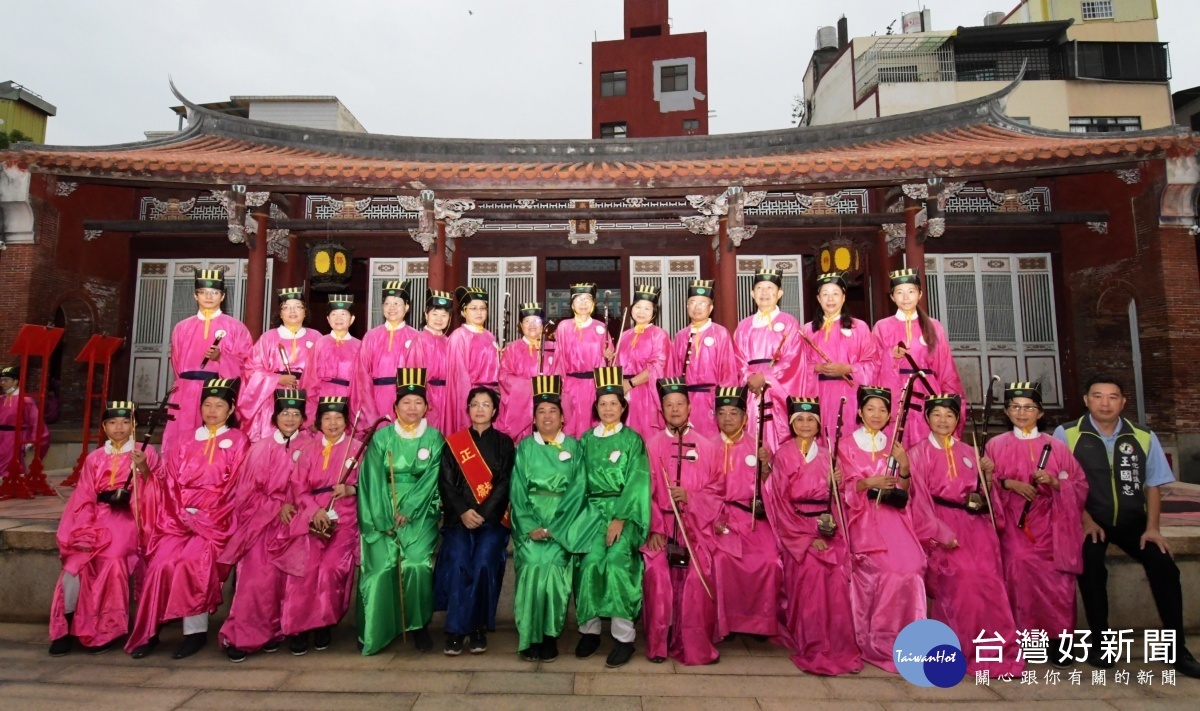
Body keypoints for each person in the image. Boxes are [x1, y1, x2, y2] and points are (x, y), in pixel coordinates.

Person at [1055, 375, 1200, 677]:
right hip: (1090, 518)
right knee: (1091, 564)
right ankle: (1101, 642)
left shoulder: (1143, 436)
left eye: (1112, 397)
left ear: (1123, 402)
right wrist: (1085, 520)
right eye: (1097, 396)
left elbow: (1154, 484)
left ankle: (1177, 649)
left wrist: (1153, 528)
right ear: (1086, 400)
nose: (1104, 403)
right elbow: (1062, 484)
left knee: (1164, 565)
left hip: (1134, 521)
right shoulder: (1067, 434)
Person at [127, 378, 249, 659]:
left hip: (216, 520)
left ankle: (194, 632)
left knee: (194, 562)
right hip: (178, 518)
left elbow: (236, 488)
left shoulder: (239, 441)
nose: (212, 410)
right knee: (159, 564)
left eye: (219, 405)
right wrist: (179, 513)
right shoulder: (185, 440)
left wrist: (205, 516)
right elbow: (169, 483)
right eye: (207, 404)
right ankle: (149, 632)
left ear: (231, 409)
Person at [907, 393, 1023, 678]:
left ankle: (998, 652)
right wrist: (938, 531)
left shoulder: (970, 452)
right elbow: (919, 499)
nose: (943, 420)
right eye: (937, 415)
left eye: (949, 415)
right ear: (927, 418)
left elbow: (985, 495)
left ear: (957, 420)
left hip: (976, 524)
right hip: (942, 523)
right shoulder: (917, 453)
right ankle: (956, 648)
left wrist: (988, 476)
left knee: (990, 581)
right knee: (962, 580)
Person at [986, 381, 1087, 667]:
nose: (1021, 413)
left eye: (1028, 407)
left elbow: (1079, 485)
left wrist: (1055, 482)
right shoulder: (996, 445)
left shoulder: (1056, 447)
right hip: (1015, 522)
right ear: (1007, 411)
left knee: (1059, 581)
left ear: (1040, 413)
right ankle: (1026, 638)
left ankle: (1060, 641)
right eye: (1015, 407)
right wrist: (1009, 483)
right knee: (1019, 564)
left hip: (1053, 522)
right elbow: (985, 484)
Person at [49, 401, 160, 656]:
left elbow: (157, 489)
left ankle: (107, 629)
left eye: (124, 422)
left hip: (127, 517)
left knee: (112, 560)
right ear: (104, 427)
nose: (119, 427)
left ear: (134, 425)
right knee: (75, 562)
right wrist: (83, 527)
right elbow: (83, 496)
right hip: (94, 517)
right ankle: (64, 626)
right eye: (112, 422)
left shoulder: (146, 453)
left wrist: (142, 467)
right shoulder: (95, 457)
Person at [764, 396, 862, 675]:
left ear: (818, 424)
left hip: (825, 526)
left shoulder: (827, 454)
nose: (806, 424)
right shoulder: (783, 456)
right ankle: (813, 642)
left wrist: (838, 485)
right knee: (812, 572)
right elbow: (779, 503)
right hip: (796, 530)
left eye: (811, 420)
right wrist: (806, 540)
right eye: (800, 420)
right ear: (792, 424)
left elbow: (838, 501)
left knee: (836, 579)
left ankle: (840, 643)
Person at [564, 366, 650, 668]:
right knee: (588, 564)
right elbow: (578, 483)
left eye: (614, 403)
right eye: (603, 403)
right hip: (590, 514)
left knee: (616, 564)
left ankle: (624, 637)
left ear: (623, 407)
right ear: (596, 407)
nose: (609, 408)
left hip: (622, 515)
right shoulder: (586, 440)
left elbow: (637, 482)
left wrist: (619, 519)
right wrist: (579, 519)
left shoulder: (633, 440)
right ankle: (589, 630)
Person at [218, 389, 312, 662]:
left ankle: (286, 629)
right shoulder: (260, 448)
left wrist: (297, 509)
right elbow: (245, 494)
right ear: (275, 417)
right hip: (263, 523)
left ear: (304, 418)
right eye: (285, 413)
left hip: (298, 520)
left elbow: (316, 486)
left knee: (298, 575)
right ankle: (247, 635)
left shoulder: (311, 445)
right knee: (257, 579)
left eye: (296, 414)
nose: (290, 419)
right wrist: (275, 507)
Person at [838, 385, 926, 673]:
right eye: (870, 408)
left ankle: (907, 638)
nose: (876, 414)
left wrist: (903, 469)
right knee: (887, 571)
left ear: (890, 415)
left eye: (882, 409)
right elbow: (842, 488)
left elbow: (904, 492)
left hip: (893, 519)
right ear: (860, 411)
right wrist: (866, 483)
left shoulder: (895, 445)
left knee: (911, 568)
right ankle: (877, 638)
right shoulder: (845, 444)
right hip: (861, 519)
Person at [357, 368, 444, 655]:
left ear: (427, 407)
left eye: (418, 403)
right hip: (382, 514)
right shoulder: (382, 439)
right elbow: (370, 481)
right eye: (406, 403)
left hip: (420, 513)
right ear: (395, 407)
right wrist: (384, 518)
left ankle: (418, 625)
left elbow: (433, 477)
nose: (412, 408)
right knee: (381, 569)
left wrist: (408, 507)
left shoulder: (434, 438)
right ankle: (380, 627)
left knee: (416, 565)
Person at [642, 377, 724, 666]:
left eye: (679, 404)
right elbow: (645, 493)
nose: (674, 409)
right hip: (661, 527)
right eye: (668, 405)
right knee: (658, 576)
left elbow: (718, 490)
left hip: (697, 528)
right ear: (661, 410)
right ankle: (659, 642)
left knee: (698, 576)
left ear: (690, 408)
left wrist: (690, 496)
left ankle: (694, 642)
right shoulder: (651, 446)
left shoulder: (708, 446)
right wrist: (654, 528)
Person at [279, 395, 362, 656]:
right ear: (318, 422)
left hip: (345, 518)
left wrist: (352, 489)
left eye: (338, 418)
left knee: (330, 567)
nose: (333, 423)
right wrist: (315, 511)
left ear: (347, 422)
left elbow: (372, 486)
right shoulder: (309, 450)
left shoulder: (358, 448)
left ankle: (324, 622)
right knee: (305, 567)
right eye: (327, 418)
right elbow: (299, 489)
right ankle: (300, 626)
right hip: (311, 517)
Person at [435, 387, 514, 656]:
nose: (480, 409)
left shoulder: (505, 443)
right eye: (475, 404)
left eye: (486, 405)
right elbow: (446, 484)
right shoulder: (453, 443)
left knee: (483, 561)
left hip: (492, 521)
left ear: (495, 410)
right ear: (467, 409)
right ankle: (456, 630)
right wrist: (463, 513)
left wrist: (482, 513)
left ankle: (478, 627)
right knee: (458, 560)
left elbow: (504, 483)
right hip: (459, 521)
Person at [509, 375, 582, 662]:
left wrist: (557, 527)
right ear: (534, 418)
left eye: (553, 411)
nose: (547, 416)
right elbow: (517, 491)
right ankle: (529, 636)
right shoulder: (526, 448)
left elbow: (578, 491)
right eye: (541, 411)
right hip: (531, 526)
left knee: (553, 572)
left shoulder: (574, 448)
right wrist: (530, 526)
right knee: (530, 570)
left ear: (563, 417)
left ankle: (549, 635)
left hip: (561, 527)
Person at [710, 386, 779, 642]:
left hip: (752, 517)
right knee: (720, 562)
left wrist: (765, 468)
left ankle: (758, 623)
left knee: (770, 561)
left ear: (745, 417)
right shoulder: (708, 446)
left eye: (734, 413)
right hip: (720, 517)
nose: (727, 418)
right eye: (722, 413)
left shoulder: (759, 446)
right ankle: (726, 622)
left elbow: (772, 489)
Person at [159, 270, 252, 455]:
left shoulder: (235, 327)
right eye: (203, 292)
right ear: (196, 295)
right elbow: (177, 364)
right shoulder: (182, 327)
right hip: (185, 391)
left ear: (223, 296)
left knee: (215, 444)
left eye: (215, 293)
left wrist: (222, 358)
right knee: (181, 440)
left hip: (218, 391)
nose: (209, 296)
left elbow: (247, 364)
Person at [871, 269, 965, 446]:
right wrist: (890, 355)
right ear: (892, 297)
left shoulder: (934, 326)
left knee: (927, 443)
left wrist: (950, 400)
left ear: (920, 294)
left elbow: (945, 368)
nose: (905, 297)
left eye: (911, 291)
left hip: (927, 391)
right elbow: (872, 365)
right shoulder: (882, 327)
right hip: (895, 391)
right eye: (899, 292)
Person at [733, 268, 805, 452]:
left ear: (779, 293)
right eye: (759, 288)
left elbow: (792, 359)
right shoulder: (743, 326)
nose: (764, 292)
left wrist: (765, 377)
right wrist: (750, 379)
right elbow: (737, 359)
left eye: (770, 288)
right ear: (752, 293)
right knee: (750, 440)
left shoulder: (789, 322)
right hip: (751, 390)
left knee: (776, 441)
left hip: (776, 388)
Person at [797, 272, 878, 431]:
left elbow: (873, 363)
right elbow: (798, 367)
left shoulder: (859, 327)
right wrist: (816, 368)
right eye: (825, 294)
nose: (830, 299)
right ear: (819, 299)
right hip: (818, 393)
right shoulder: (807, 330)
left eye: (835, 294)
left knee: (847, 438)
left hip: (850, 394)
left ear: (843, 297)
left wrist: (848, 368)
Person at [241, 287, 321, 442]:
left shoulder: (317, 337)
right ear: (280, 312)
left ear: (305, 311)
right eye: (287, 307)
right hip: (273, 397)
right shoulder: (268, 338)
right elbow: (251, 369)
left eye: (298, 306)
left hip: (307, 397)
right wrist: (277, 379)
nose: (292, 311)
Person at [666, 280, 737, 440]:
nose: (697, 307)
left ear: (711, 308)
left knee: (711, 445)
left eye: (702, 303)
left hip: (711, 400)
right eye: (692, 302)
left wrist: (725, 404)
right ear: (686, 306)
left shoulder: (720, 333)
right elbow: (674, 372)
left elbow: (729, 373)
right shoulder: (680, 336)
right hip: (686, 400)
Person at [353, 280, 419, 425]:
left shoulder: (416, 337)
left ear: (407, 307)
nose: (392, 308)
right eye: (387, 303)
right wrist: (370, 413)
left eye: (397, 303)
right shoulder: (371, 336)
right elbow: (362, 377)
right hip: (375, 398)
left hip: (406, 399)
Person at [555, 284, 612, 438]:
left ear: (593, 304)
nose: (583, 303)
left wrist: (609, 356)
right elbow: (559, 360)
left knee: (594, 426)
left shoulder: (601, 327)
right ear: (572, 304)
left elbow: (610, 362)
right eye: (578, 299)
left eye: (587, 299)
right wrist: (560, 388)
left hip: (594, 386)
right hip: (570, 385)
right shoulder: (563, 327)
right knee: (569, 426)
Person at [613, 284, 670, 437]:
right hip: (623, 392)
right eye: (638, 307)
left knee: (644, 436)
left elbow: (656, 367)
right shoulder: (624, 335)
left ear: (654, 312)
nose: (641, 312)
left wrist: (631, 383)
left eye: (647, 308)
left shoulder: (659, 334)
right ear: (631, 309)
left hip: (645, 392)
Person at [444, 286, 501, 434]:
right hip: (472, 395)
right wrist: (470, 403)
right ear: (463, 312)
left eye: (483, 308)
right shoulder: (459, 336)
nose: (479, 312)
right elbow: (459, 378)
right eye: (473, 308)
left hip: (491, 397)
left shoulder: (489, 336)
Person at [496, 302, 553, 442]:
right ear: (521, 325)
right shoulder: (512, 349)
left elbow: (561, 374)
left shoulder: (554, 348)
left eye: (537, 321)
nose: (532, 325)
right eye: (527, 321)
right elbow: (504, 376)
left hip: (548, 406)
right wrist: (530, 386)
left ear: (543, 325)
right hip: (519, 408)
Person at [411, 290, 455, 435]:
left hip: (448, 398)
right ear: (426, 314)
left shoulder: (450, 342)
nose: (439, 319)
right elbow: (414, 373)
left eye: (444, 315)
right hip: (428, 397)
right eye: (435, 314)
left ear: (449, 318)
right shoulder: (420, 340)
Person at [0, 365, 50, 481]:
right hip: (1, 435)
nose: (2, 383)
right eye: (1, 380)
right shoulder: (1, 399)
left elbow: (35, 421)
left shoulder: (25, 400)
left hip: (14, 437)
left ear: (16, 381)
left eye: (6, 380)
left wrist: (31, 440)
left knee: (8, 464)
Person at [309, 294, 361, 401]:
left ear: (352, 319)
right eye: (334, 314)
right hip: (321, 398)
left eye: (343, 314)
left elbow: (363, 380)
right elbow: (309, 378)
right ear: (328, 319)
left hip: (350, 397)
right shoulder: (319, 343)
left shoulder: (359, 346)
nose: (338, 318)